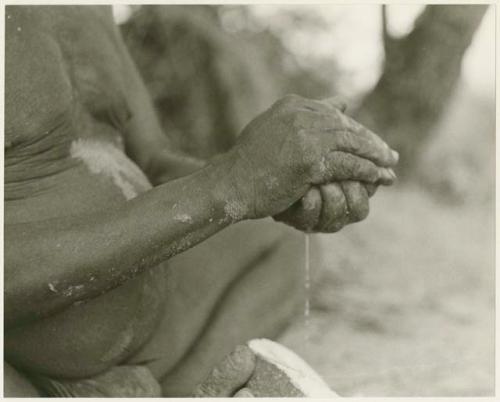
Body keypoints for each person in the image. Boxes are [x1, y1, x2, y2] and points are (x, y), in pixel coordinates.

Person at [4, 5, 398, 397]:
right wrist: (231, 181)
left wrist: (273, 186)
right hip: (21, 327)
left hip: (146, 324)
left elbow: (155, 157)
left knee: (277, 245)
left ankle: (169, 388)